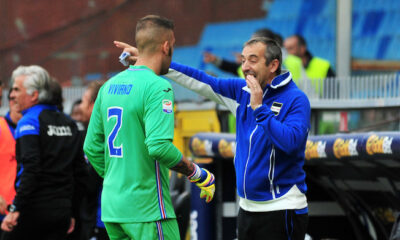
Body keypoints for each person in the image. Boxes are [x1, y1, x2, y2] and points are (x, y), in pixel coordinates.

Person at [115, 37, 310, 240]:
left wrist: (260, 109)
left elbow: (292, 143)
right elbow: (200, 80)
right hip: (247, 208)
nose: (245, 67)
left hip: (283, 208)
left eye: (253, 60)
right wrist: (152, 61)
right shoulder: (241, 91)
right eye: (243, 60)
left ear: (273, 65)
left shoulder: (296, 99)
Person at [83, 15, 215, 240]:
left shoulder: (108, 87)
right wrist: (198, 173)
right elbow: (159, 147)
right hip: (148, 210)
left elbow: (91, 147)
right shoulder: (158, 87)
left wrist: (121, 177)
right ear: (166, 46)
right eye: (172, 46)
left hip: (114, 210)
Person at [0, 65, 88, 240]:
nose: (12, 95)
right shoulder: (69, 123)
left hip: (32, 210)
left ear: (33, 95)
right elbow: (80, 173)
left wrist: (16, 208)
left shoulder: (28, 122)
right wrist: (71, 211)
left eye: (17, 89)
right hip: (62, 212)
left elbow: (30, 169)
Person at [203, 28, 285, 78]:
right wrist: (216, 60)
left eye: (254, 42)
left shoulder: (282, 61)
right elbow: (235, 69)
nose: (249, 44)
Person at [0, 87, 22, 239]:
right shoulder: (1, 127)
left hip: (23, 209)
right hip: (2, 210)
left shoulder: (34, 129)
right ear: (12, 102)